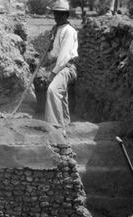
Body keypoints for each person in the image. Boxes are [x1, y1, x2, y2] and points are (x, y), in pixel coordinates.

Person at [45, 0, 78, 134]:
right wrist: (47, 58)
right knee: (61, 94)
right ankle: (64, 123)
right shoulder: (58, 29)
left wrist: (53, 73)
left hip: (67, 67)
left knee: (53, 91)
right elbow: (55, 52)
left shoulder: (69, 31)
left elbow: (64, 56)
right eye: (55, 14)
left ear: (65, 15)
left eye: (59, 14)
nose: (56, 17)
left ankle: (55, 128)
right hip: (61, 66)